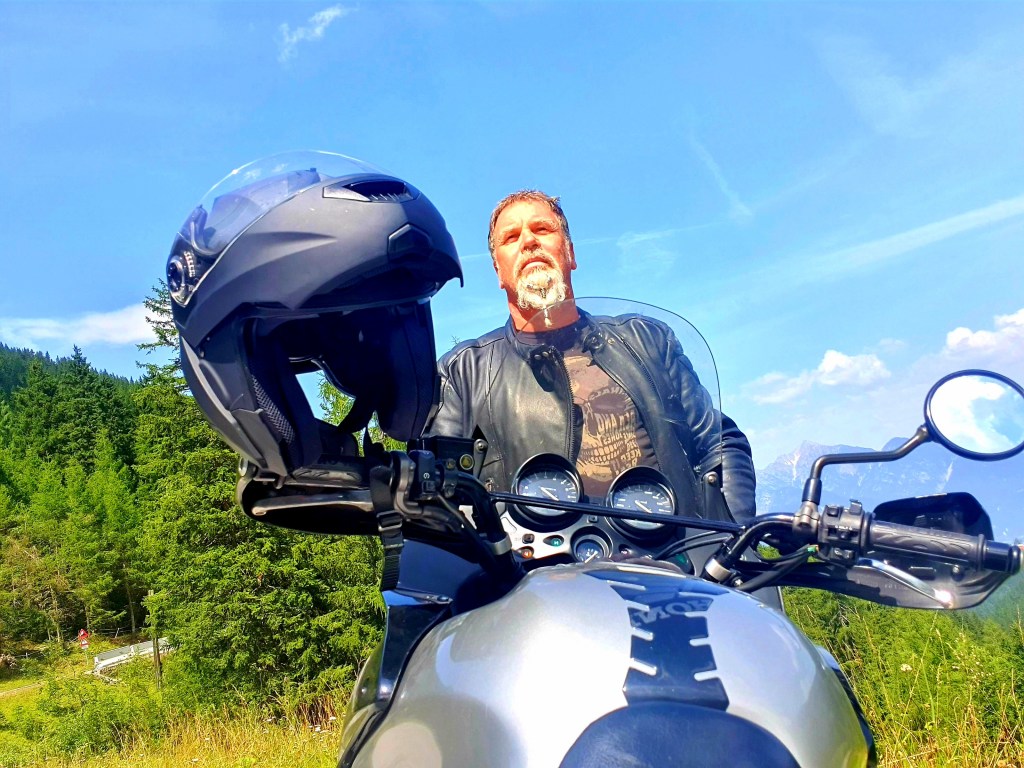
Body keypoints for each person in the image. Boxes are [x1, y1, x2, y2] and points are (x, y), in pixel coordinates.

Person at [425, 190, 756, 522]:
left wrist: (730, 537)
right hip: (533, 554)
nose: (528, 241)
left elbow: (720, 443)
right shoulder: (463, 373)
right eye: (511, 237)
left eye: (542, 229)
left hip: (668, 548)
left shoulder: (648, 341)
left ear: (570, 253)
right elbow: (437, 487)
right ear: (499, 271)